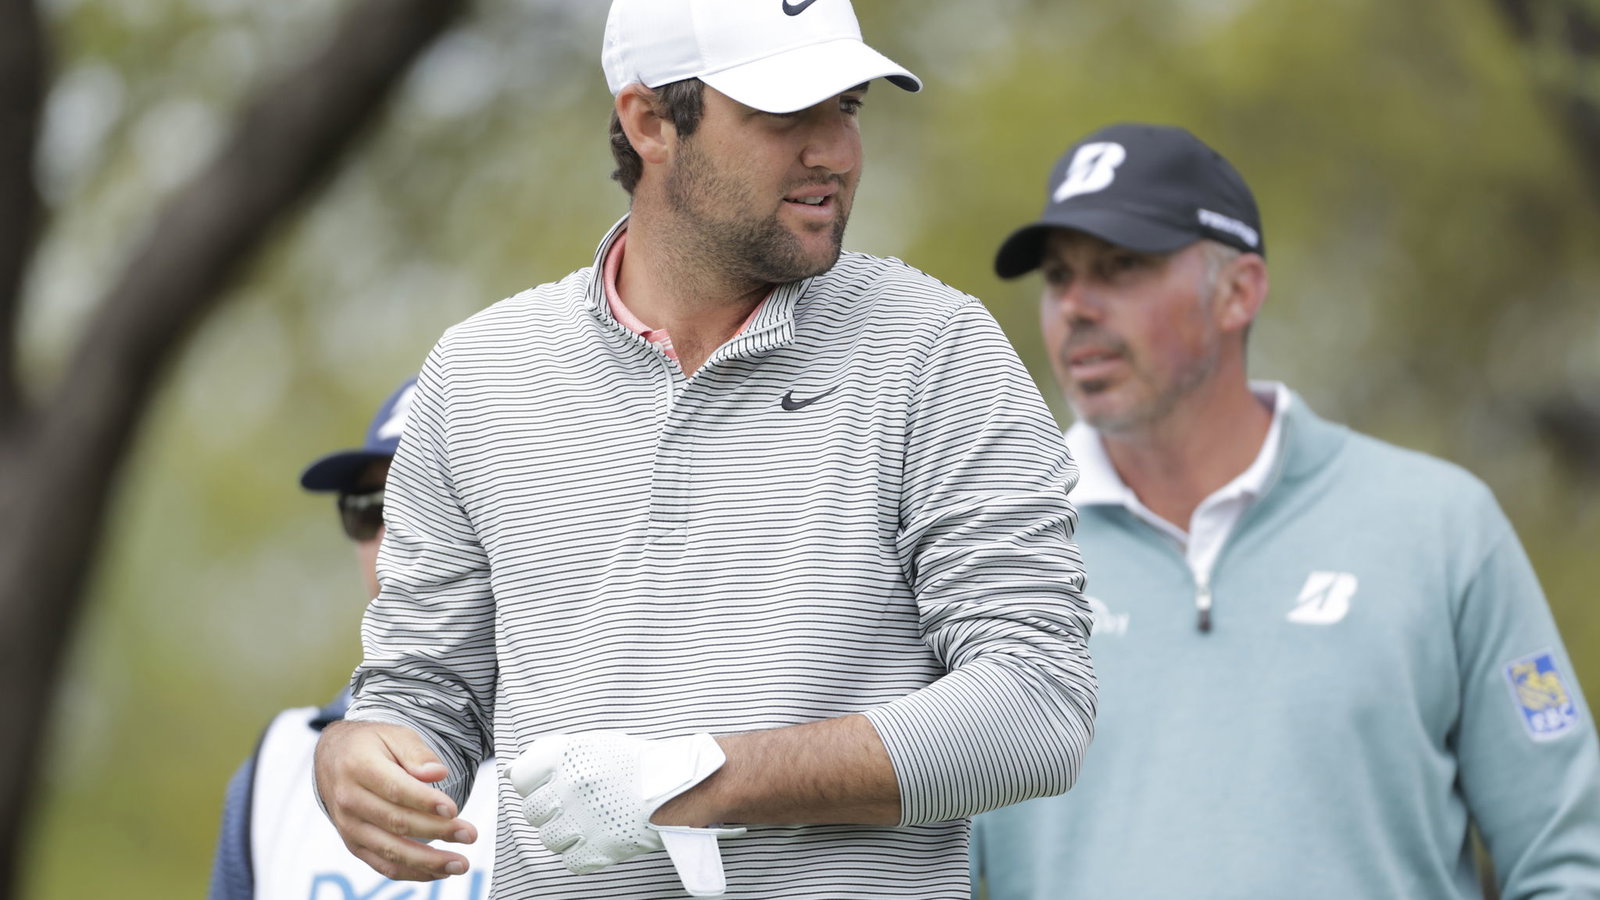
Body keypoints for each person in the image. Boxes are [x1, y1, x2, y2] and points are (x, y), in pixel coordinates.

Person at [311, 1, 1098, 898]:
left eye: (847, 107)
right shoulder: (480, 373)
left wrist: (697, 779)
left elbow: (1038, 705)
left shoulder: (934, 349)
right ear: (648, 121)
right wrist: (355, 758)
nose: (835, 150)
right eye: (786, 113)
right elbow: (424, 700)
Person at [970, 122, 1600, 899]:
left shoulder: (1439, 527)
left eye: (1121, 267)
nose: (1075, 306)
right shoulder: (984, 553)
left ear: (1238, 292)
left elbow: (1570, 859)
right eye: (1059, 276)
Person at [208, 378, 497, 900]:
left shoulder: (641, 739)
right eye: (370, 506)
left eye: (438, 500)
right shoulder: (282, 762)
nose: (398, 538)